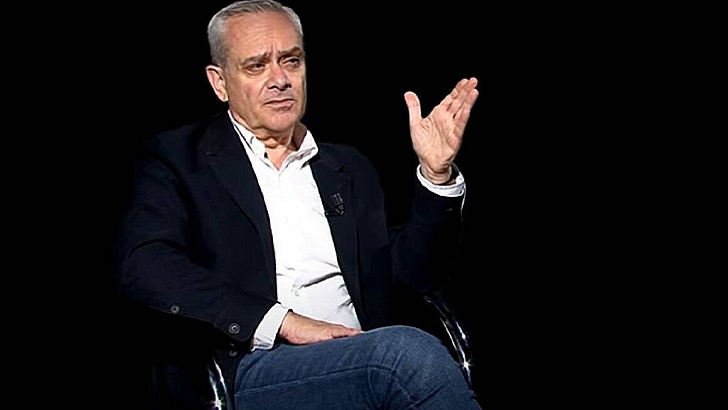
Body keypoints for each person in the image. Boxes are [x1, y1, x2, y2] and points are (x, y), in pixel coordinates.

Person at [114, 0, 480, 408]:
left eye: (291, 61)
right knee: (402, 355)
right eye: (257, 66)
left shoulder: (347, 167)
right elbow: (145, 265)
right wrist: (283, 322)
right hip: (253, 367)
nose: (280, 80)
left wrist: (436, 175)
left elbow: (415, 276)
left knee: (400, 356)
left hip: (360, 359)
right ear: (220, 83)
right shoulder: (179, 161)